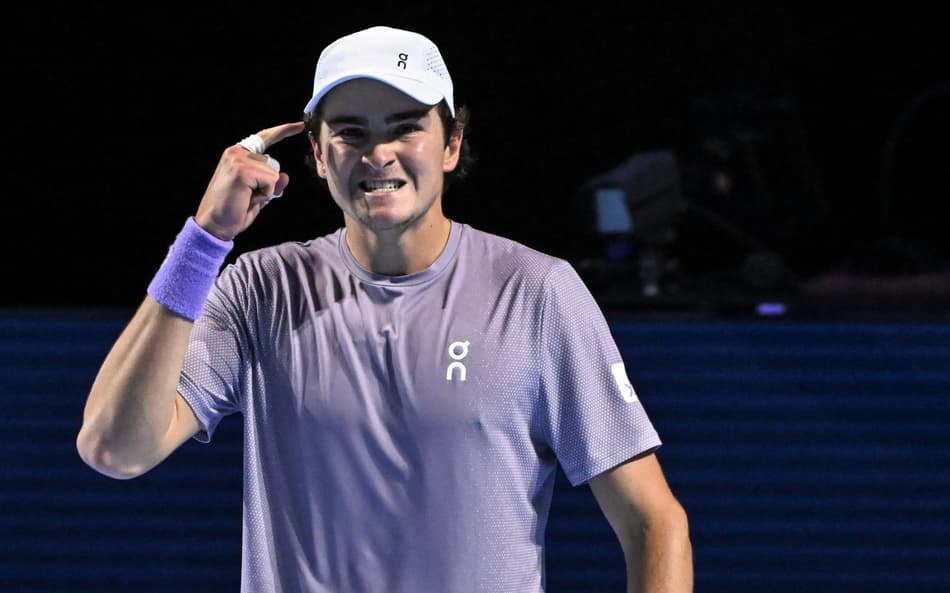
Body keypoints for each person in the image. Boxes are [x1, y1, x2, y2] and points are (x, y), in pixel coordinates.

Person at [77, 24, 692, 592]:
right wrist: (205, 240)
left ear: (451, 144)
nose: (379, 154)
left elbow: (653, 525)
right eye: (351, 132)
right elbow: (115, 449)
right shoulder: (256, 290)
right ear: (317, 156)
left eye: (404, 127)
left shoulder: (537, 293)